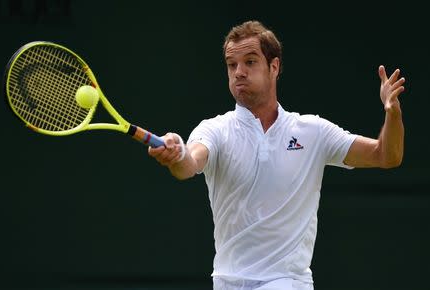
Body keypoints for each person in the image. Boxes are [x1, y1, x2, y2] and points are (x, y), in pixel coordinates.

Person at [148, 20, 405, 290]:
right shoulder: (215, 130)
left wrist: (393, 113)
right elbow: (189, 163)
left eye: (249, 62)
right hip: (226, 282)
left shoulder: (312, 131)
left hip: (287, 282)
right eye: (231, 65)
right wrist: (177, 152)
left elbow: (385, 155)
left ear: (274, 67)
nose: (239, 73)